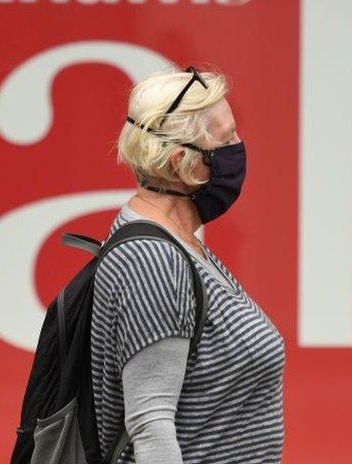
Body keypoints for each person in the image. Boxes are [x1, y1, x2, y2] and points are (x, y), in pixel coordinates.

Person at [90, 65, 286, 464]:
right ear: (182, 162)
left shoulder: (179, 243)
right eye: (226, 138)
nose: (238, 147)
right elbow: (151, 428)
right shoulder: (152, 260)